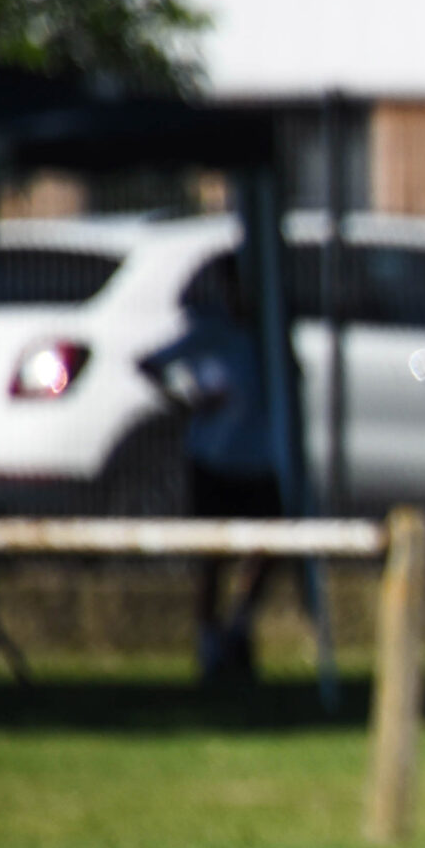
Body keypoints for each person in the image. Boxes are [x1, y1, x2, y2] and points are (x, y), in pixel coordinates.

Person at [144, 259, 282, 685]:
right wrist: (189, 402)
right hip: (214, 459)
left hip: (259, 460)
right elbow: (149, 364)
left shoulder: (269, 334)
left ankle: (238, 628)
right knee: (211, 558)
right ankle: (209, 651)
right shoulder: (210, 330)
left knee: (270, 548)